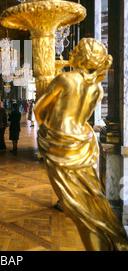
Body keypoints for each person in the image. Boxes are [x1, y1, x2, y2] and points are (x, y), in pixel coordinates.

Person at [34, 38, 128, 251]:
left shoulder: (65, 79)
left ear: (83, 56)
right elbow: (83, 117)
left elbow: (39, 111)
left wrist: (50, 127)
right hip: (83, 145)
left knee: (78, 210)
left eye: (76, 49)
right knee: (90, 203)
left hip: (59, 144)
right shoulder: (97, 89)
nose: (72, 52)